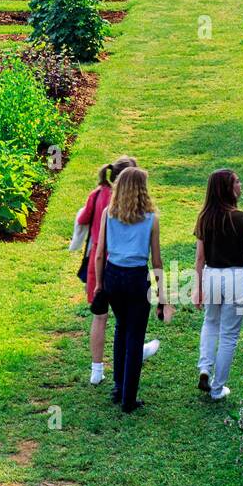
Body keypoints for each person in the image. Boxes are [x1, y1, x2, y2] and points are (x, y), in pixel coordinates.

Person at [75, 157, 159, 384]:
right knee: (129, 322)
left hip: (98, 265)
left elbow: (82, 218)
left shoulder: (98, 195)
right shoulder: (127, 205)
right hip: (121, 267)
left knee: (101, 316)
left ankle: (96, 369)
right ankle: (134, 355)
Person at [94, 167, 166, 413]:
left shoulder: (108, 214)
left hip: (113, 276)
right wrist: (163, 296)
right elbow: (156, 261)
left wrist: (100, 284)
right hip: (137, 278)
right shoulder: (151, 219)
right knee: (135, 336)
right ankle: (129, 397)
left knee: (120, 328)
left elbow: (100, 252)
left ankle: (117, 386)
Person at [194, 168, 243, 401]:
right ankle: (217, 389)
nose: (240, 185)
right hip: (236, 277)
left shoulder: (204, 218)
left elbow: (199, 258)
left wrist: (198, 287)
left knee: (210, 322)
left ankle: (205, 368)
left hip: (211, 274)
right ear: (227, 188)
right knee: (229, 336)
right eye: (236, 182)